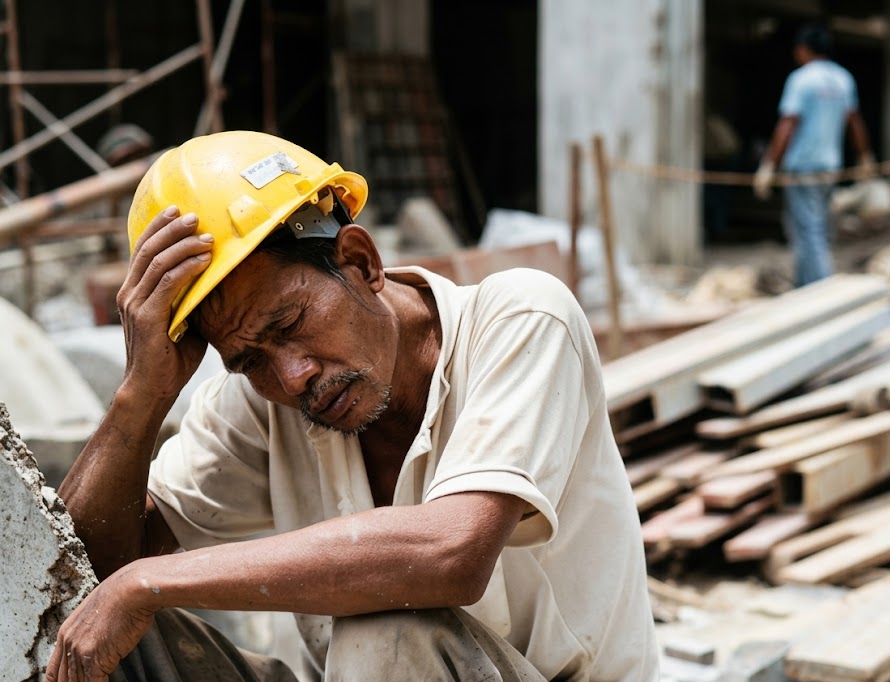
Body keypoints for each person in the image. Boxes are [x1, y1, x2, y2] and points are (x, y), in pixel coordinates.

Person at [45, 130, 659, 681]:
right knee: (107, 637)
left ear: (361, 262)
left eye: (290, 323)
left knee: (387, 629)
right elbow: (66, 577)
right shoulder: (259, 402)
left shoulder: (521, 318)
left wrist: (147, 581)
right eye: (250, 359)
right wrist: (141, 394)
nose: (293, 377)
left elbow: (451, 556)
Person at [753, 23, 876, 287]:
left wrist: (769, 164)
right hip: (830, 166)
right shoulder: (843, 79)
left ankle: (820, 288)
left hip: (802, 166)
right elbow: (854, 121)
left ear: (803, 49)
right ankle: (805, 285)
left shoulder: (801, 79)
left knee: (808, 231)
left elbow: (788, 123)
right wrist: (865, 156)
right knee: (818, 227)